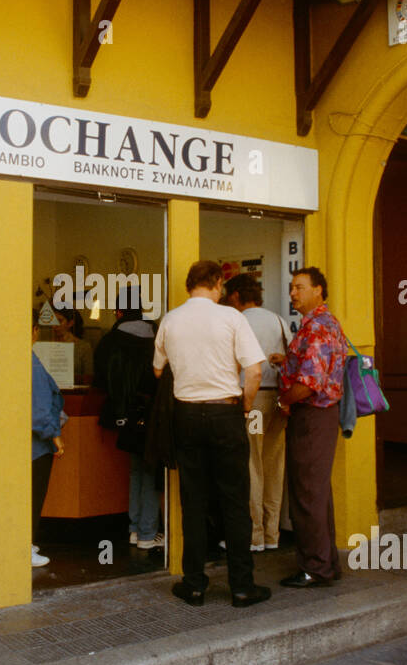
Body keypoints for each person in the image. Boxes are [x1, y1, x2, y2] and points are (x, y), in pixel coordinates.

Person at [153, 260, 270, 608]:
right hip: (225, 411)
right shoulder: (232, 318)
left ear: (191, 285)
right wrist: (245, 405)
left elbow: (158, 370)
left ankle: (193, 585)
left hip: (186, 415)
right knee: (235, 501)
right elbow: (254, 371)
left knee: (193, 501)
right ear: (218, 283)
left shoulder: (170, 319)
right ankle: (241, 586)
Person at [276, 267, 348, 588]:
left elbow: (309, 383)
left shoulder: (317, 328)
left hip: (311, 416)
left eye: (300, 287)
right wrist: (286, 362)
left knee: (307, 492)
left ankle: (314, 568)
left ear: (318, 290)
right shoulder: (323, 324)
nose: (293, 293)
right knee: (317, 492)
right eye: (292, 288)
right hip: (322, 416)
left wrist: (284, 402)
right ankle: (326, 562)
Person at [223, 273, 289, 553]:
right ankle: (273, 533)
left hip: (253, 400)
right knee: (274, 464)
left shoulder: (238, 321)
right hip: (278, 399)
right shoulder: (278, 320)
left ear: (236, 295)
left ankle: (254, 534)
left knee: (250, 464)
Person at [94, 287, 163, 550]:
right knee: (149, 469)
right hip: (150, 412)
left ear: (119, 311)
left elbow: (101, 377)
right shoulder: (155, 334)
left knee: (136, 469)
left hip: (124, 413)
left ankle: (136, 529)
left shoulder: (110, 339)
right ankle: (148, 533)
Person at [32, 313, 67, 568]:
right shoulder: (30, 363)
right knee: (33, 496)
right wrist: (55, 436)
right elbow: (41, 409)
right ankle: (27, 547)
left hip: (24, 443)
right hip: (36, 446)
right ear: (34, 330)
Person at [53, 306, 93, 385]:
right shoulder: (48, 344)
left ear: (70, 323)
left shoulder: (83, 347)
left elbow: (89, 378)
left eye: (59, 321)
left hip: (74, 393)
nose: (54, 326)